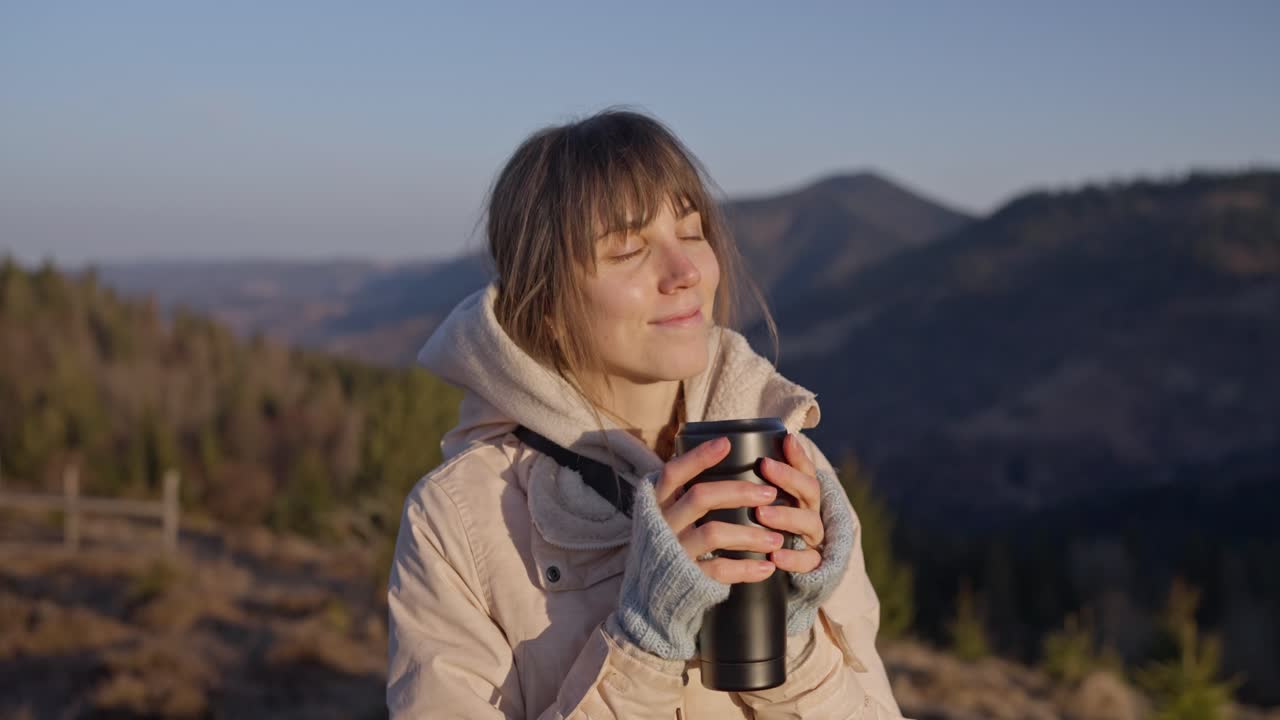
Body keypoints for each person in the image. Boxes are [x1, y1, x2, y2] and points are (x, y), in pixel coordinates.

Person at [386, 107, 906, 719]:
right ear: (545, 303)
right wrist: (645, 643)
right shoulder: (459, 519)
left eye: (691, 233)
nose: (685, 272)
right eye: (629, 249)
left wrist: (791, 643)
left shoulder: (789, 466)